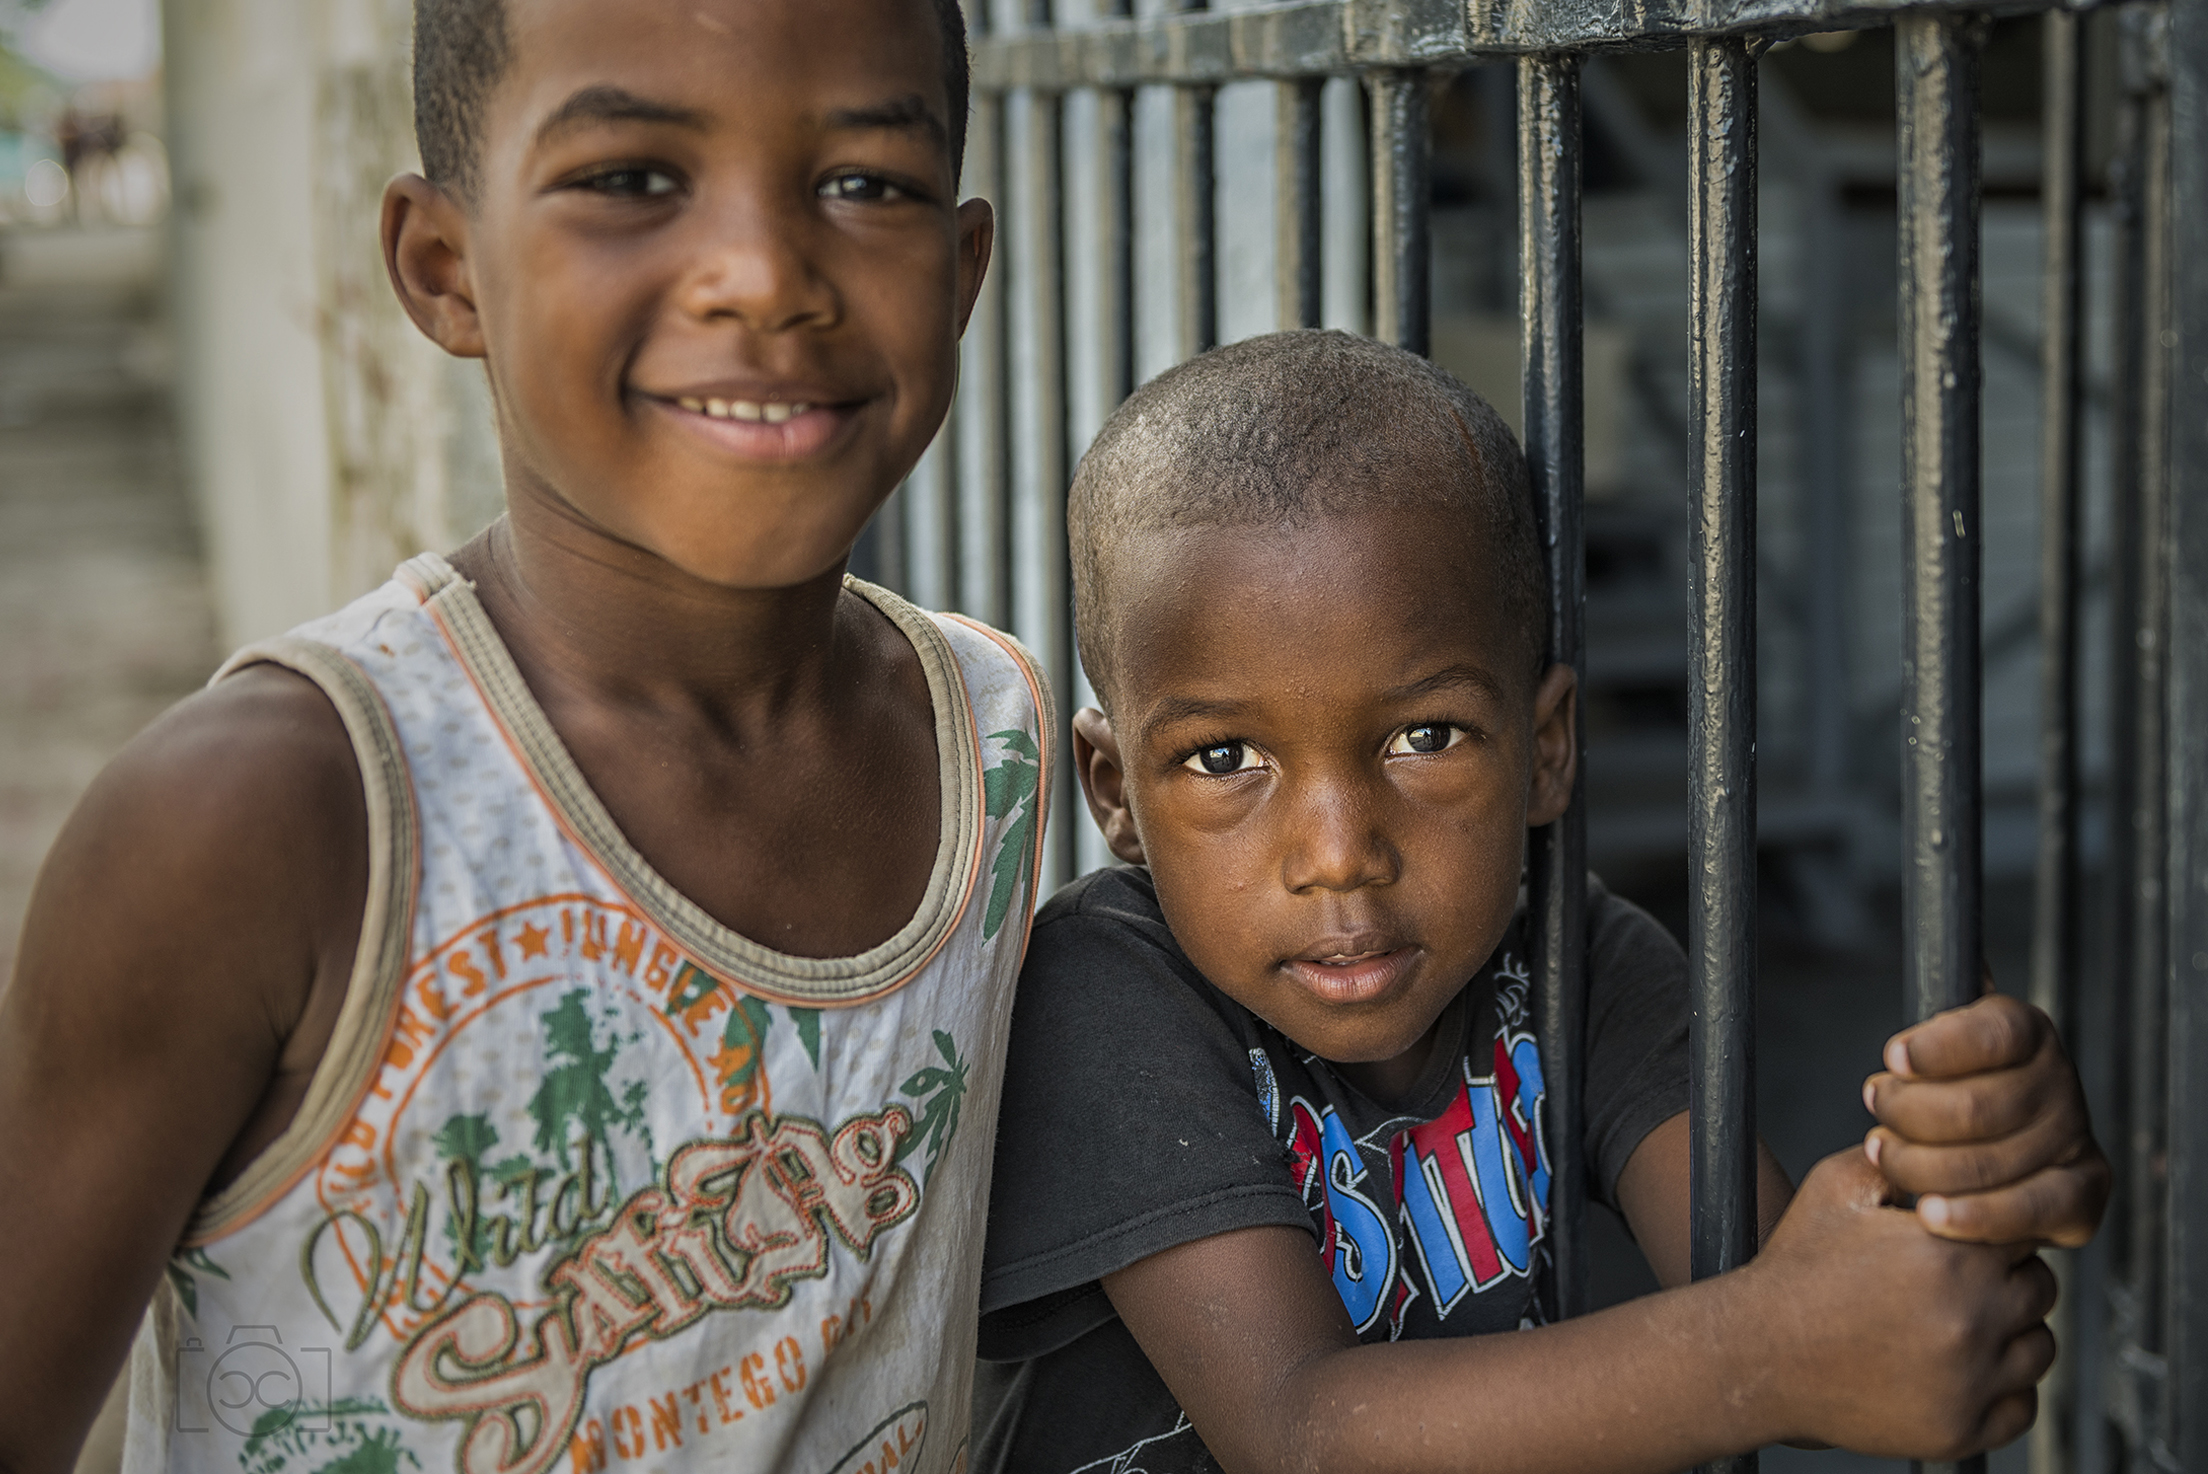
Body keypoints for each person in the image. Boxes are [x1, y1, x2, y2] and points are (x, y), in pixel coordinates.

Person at [0, 3, 1046, 1473]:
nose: (765, 276)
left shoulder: (994, 745)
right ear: (445, 267)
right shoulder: (274, 820)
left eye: (867, 182)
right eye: (630, 178)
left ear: (962, 269)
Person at [972, 330, 2108, 1474]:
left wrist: (1969, 1172)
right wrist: (1775, 1350)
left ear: (1546, 746)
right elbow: (1302, 1433)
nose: (1338, 853)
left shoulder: (1581, 961)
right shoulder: (1107, 987)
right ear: (1115, 792)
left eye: (1425, 737)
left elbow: (1791, 1295)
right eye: (1224, 759)